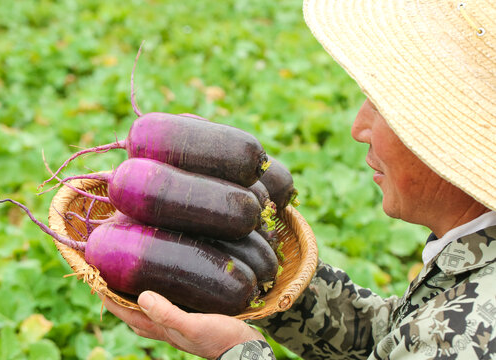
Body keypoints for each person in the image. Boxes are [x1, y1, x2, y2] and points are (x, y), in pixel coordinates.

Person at [100, 0, 496, 359]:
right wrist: (261, 279)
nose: (359, 127)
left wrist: (237, 352)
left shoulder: (472, 333)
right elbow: (394, 339)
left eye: (381, 107)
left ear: (448, 143)